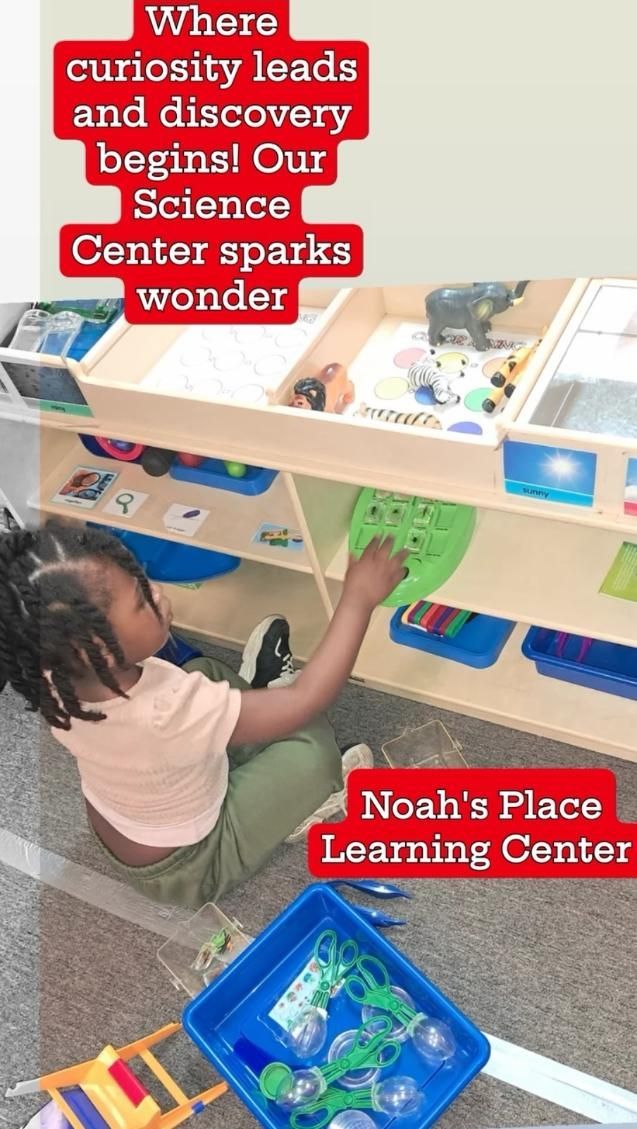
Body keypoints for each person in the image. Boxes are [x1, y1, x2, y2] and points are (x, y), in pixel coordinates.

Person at [0, 522, 407, 910]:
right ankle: (307, 800)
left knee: (200, 673)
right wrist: (358, 598)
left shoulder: (52, 677)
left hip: (134, 821)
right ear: (101, 650)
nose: (157, 593)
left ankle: (252, 708)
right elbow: (308, 698)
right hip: (194, 863)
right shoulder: (165, 714)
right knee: (312, 748)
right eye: (142, 599)